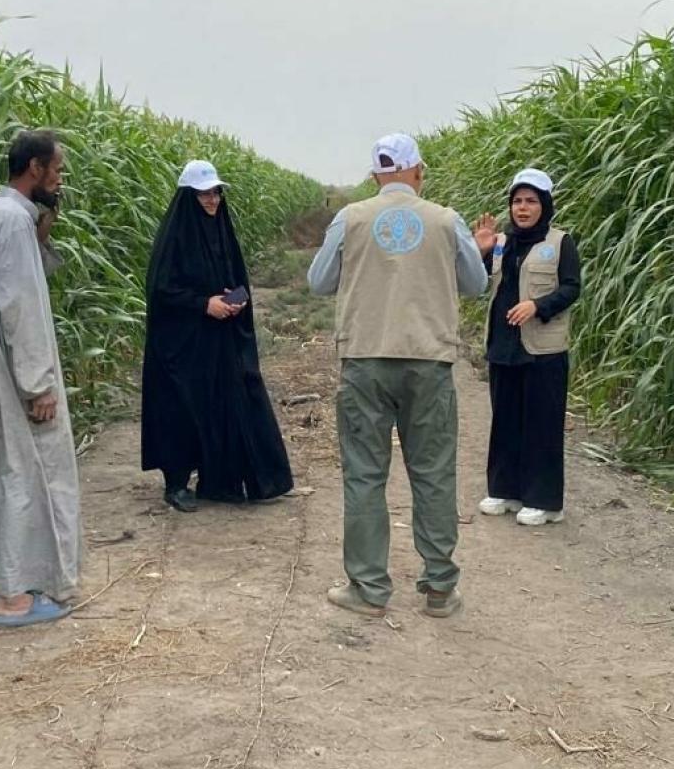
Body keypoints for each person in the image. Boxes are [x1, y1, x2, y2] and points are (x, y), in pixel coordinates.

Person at [308, 133, 490, 618]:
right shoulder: (447, 221)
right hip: (429, 360)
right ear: (418, 171)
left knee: (365, 476)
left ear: (375, 176)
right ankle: (438, 588)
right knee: (432, 473)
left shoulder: (350, 219)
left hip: (365, 359)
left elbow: (318, 281)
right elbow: (476, 284)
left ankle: (367, 589)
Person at [0, 129, 81, 627]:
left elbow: (22, 273)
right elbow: (20, 306)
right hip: (17, 371)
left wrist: (46, 219)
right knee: (28, 470)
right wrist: (39, 385)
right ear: (35, 167)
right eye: (56, 168)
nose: (60, 176)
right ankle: (15, 598)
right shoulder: (11, 223)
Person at [140, 160, 295, 512]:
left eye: (215, 193)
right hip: (181, 343)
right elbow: (161, 290)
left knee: (228, 400)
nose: (212, 201)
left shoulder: (221, 230)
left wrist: (235, 298)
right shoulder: (175, 238)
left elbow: (235, 274)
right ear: (188, 198)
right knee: (181, 408)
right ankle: (176, 483)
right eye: (203, 194)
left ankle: (221, 479)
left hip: (219, 337)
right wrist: (202, 304)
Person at [477, 168, 582, 526]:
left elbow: (571, 288)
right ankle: (505, 490)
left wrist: (538, 306)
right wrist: (482, 250)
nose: (523, 208)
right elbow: (482, 282)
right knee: (505, 419)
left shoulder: (560, 241)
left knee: (542, 423)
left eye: (531, 201)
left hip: (543, 349)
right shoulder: (503, 241)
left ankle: (545, 501)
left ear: (545, 205)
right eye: (517, 201)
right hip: (505, 346)